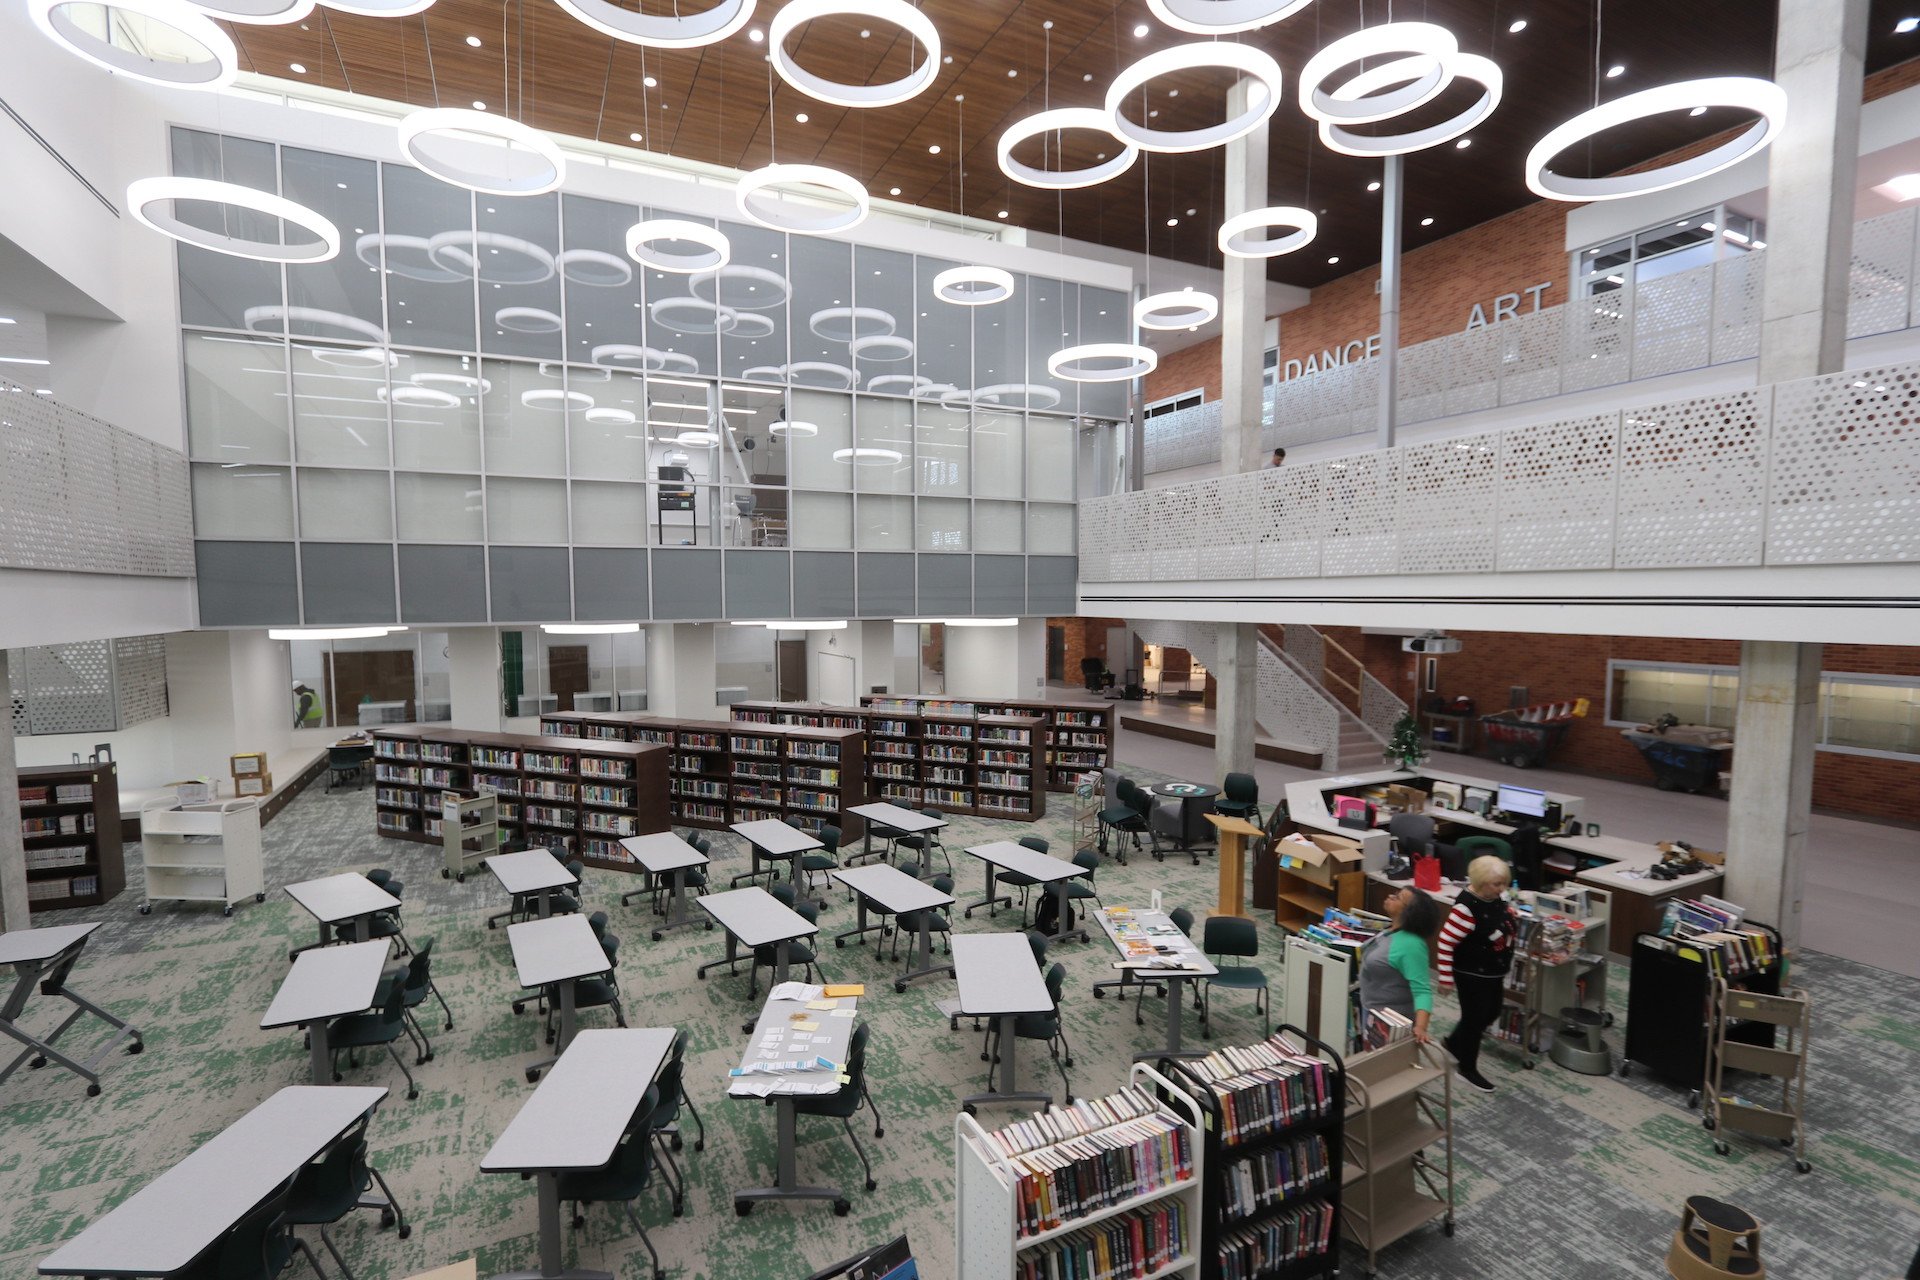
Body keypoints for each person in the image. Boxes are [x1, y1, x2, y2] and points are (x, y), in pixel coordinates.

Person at [1437, 855, 1521, 1094]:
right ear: (1482, 882)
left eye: (1504, 883)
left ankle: (1454, 1043)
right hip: (1471, 974)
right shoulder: (1465, 909)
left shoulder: (1494, 897)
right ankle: (1466, 1069)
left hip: (1493, 971)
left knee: (1492, 1012)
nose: (1502, 889)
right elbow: (1445, 942)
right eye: (1497, 884)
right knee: (1474, 1020)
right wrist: (1445, 978)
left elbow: (1499, 915)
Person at [1357, 886, 1443, 1049]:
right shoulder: (1391, 930)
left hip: (1390, 1023)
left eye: (1398, 897)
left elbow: (1422, 991)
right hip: (1372, 1009)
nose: (1390, 896)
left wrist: (1421, 1027)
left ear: (1409, 912)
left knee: (1383, 1062)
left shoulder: (1412, 946)